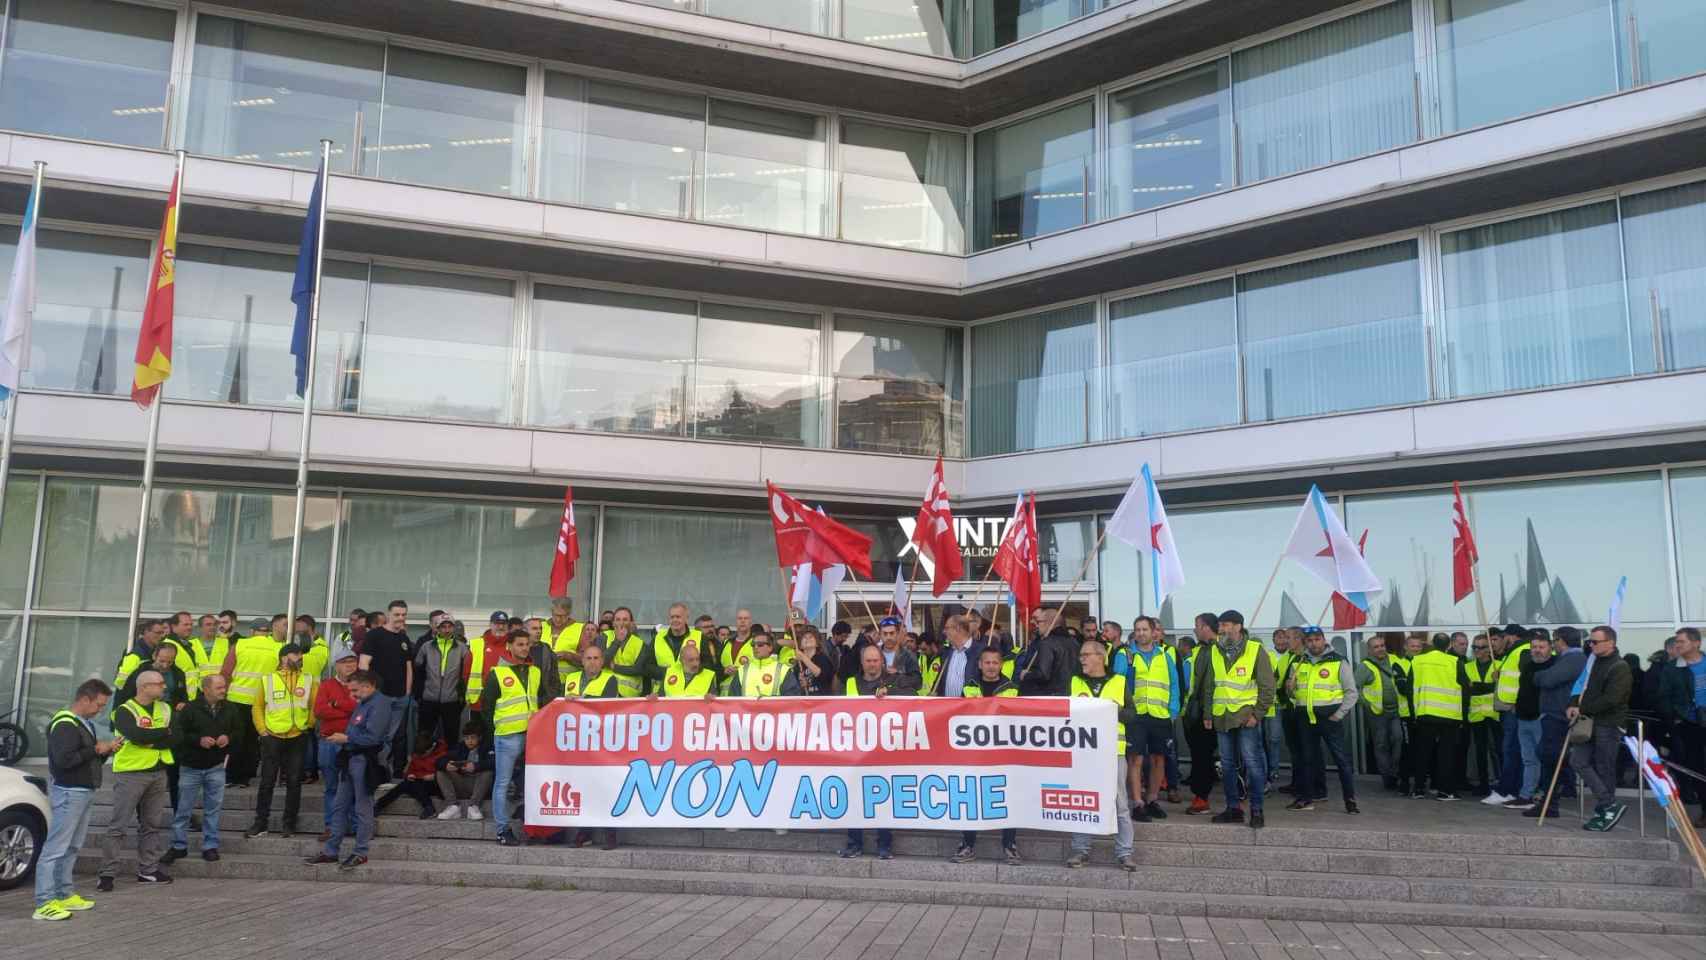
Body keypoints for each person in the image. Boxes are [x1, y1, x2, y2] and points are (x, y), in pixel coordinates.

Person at [33, 679, 118, 922]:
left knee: (72, 846)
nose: (100, 710)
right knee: (56, 848)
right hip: (70, 791)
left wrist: (106, 751)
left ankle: (63, 893)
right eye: (99, 705)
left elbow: (88, 759)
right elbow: (64, 760)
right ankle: (44, 902)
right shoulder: (65, 724)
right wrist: (96, 750)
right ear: (85, 699)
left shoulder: (83, 723)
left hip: (82, 790)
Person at [306, 669, 394, 871]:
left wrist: (346, 738)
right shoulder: (364, 702)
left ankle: (361, 852)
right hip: (350, 759)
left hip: (364, 760)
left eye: (355, 691)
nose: (352, 695)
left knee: (362, 808)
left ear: (368, 686)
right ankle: (331, 851)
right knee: (339, 805)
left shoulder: (380, 704)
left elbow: (373, 738)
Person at [1195, 610, 1274, 828]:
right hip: (1222, 716)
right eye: (1220, 625)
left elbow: (1268, 687)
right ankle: (1233, 809)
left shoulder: (1255, 650)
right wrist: (1208, 713)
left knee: (1253, 763)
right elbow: (1210, 685)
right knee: (1227, 765)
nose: (1221, 629)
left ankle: (1256, 810)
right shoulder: (1215, 650)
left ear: (1238, 626)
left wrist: (1257, 715)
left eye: (1226, 625)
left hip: (1246, 718)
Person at [98, 669, 176, 891]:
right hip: (131, 773)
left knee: (152, 824)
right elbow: (137, 736)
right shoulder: (124, 711)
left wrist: (154, 738)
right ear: (144, 687)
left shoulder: (165, 708)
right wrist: (164, 733)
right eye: (159, 683)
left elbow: (177, 736)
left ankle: (147, 870)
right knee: (119, 825)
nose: (164, 686)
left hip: (158, 771)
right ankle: (107, 874)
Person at [1067, 638, 1137, 870]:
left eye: (1086, 655)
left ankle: (1125, 853)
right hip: (1083, 752)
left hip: (1113, 752)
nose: (1082, 659)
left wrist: (1111, 709)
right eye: (1081, 655)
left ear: (1101, 657)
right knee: (1082, 801)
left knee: (1120, 804)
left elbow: (1132, 715)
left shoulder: (1119, 681)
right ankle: (1080, 850)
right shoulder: (1074, 681)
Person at [165, 674, 244, 865]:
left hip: (216, 766)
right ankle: (178, 846)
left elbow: (239, 731)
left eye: (224, 687)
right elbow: (178, 735)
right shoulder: (190, 708)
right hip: (190, 767)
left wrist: (228, 738)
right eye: (219, 688)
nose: (224, 690)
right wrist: (198, 741)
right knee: (183, 809)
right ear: (206, 689)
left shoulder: (230, 708)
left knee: (212, 810)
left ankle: (210, 846)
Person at [482, 630, 551, 847]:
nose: (524, 648)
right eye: (520, 644)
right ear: (509, 646)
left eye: (527, 644)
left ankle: (533, 828)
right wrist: (494, 732)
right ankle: (502, 830)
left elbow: (541, 700)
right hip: (508, 736)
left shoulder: (535, 672)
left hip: (532, 736)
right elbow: (486, 708)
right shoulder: (497, 673)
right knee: (502, 783)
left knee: (532, 782)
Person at [1285, 626, 1360, 814]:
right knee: (1307, 760)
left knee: (1341, 760)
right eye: (1309, 640)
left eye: (1317, 639)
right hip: (1306, 719)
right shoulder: (1299, 662)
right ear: (1305, 642)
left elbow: (1351, 692)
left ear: (1324, 640)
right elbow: (1293, 694)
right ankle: (1307, 798)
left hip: (1330, 719)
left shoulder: (1338, 661)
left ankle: (1350, 800)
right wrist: (1290, 689)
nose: (1313, 644)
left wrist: (1339, 714)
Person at [841, 645, 905, 860]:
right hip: (855, 751)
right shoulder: (851, 683)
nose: (872, 664)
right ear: (862, 662)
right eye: (868, 660)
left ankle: (884, 845)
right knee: (854, 798)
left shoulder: (893, 682)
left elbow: (912, 695)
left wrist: (891, 693)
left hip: (882, 751)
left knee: (883, 799)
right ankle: (854, 843)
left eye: (875, 660)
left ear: (882, 662)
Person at [246, 642, 315, 839]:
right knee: (267, 781)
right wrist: (262, 731)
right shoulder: (268, 680)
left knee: (294, 781)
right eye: (296, 655)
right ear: (284, 658)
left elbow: (314, 706)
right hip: (272, 736)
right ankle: (261, 823)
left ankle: (289, 823)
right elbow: (257, 707)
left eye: (301, 655)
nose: (300, 659)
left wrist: (308, 725)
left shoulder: (308, 680)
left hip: (297, 736)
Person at [1568, 626, 1633, 831]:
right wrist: (1573, 703)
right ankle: (1608, 803)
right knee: (1577, 760)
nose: (1591, 645)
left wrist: (1582, 708)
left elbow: (1612, 699)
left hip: (1608, 724)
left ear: (1610, 643)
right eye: (1590, 642)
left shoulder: (1620, 666)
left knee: (1604, 767)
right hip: (1588, 722)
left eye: (1595, 642)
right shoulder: (1593, 661)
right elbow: (1582, 686)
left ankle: (1605, 810)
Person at [1119, 616, 1179, 823]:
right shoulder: (1125, 655)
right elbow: (1118, 684)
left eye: (1145, 629)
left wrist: (1173, 711)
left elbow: (1174, 684)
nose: (1141, 633)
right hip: (1135, 715)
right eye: (1137, 629)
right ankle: (1138, 803)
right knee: (1135, 759)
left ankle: (1152, 799)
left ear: (1154, 632)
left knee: (1158, 758)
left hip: (1160, 715)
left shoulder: (1165, 656)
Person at [222, 613, 287, 788]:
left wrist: (222, 694)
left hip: (236, 699)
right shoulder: (277, 648)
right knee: (252, 740)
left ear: (252, 631)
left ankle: (230, 777)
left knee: (235, 738)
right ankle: (245, 777)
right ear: (268, 632)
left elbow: (226, 672)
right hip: (261, 701)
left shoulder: (240, 645)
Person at [1501, 630, 1556, 810]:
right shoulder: (1528, 665)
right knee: (1528, 760)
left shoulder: (1554, 666)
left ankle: (1543, 796)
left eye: (1541, 647)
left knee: (1543, 759)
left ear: (1550, 648)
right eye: (1534, 647)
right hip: (1523, 718)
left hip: (1541, 719)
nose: (1537, 650)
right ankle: (1526, 796)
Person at [1658, 627, 1706, 827]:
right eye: (1676, 642)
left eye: (1681, 641)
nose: (1677, 645)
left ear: (1696, 643)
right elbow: (1664, 697)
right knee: (1697, 767)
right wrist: (1675, 719)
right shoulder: (1672, 668)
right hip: (1689, 724)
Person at [361, 602, 415, 777]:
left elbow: (408, 667)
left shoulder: (404, 638)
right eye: (397, 614)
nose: (401, 618)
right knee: (376, 736)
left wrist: (407, 692)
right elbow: (364, 664)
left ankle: (380, 772)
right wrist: (368, 692)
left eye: (404, 614)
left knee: (389, 738)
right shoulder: (375, 635)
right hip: (380, 696)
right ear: (389, 614)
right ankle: (372, 772)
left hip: (400, 697)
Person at [1487, 623, 1532, 805]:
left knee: (1512, 750)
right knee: (1513, 750)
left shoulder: (1523, 651)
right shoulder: (1515, 651)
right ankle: (1511, 789)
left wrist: (1518, 704)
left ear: (1511, 636)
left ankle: (1507, 790)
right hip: (1511, 708)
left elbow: (1527, 680)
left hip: (1515, 709)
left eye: (1503, 637)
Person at [1181, 613, 1219, 815]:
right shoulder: (1198, 650)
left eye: (1197, 625)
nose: (1194, 630)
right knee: (1200, 754)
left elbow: (1209, 684)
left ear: (1206, 627)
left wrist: (1208, 714)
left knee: (1203, 755)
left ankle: (1202, 798)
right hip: (1195, 712)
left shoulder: (1218, 650)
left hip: (1210, 712)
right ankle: (1201, 793)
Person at [314, 652, 360, 818]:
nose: (350, 665)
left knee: (355, 786)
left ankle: (354, 824)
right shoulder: (326, 685)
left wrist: (336, 704)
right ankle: (331, 824)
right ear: (336, 665)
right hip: (329, 741)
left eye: (353, 661)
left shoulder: (362, 685)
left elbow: (362, 710)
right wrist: (349, 711)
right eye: (345, 662)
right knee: (332, 786)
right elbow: (319, 711)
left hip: (353, 742)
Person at [1355, 635, 1403, 792]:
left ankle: (1395, 772)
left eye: (1382, 645)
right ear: (1369, 650)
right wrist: (1367, 704)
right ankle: (1388, 777)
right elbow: (1354, 689)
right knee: (1381, 745)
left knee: (1398, 739)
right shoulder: (1364, 666)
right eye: (1376, 647)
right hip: (1377, 713)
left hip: (1397, 711)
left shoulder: (1395, 660)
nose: (1381, 649)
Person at [414, 614, 468, 748]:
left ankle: (450, 758)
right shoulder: (426, 647)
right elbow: (418, 670)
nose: (447, 630)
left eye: (450, 626)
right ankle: (422, 759)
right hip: (429, 698)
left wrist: (461, 696)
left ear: (453, 628)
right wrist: (420, 694)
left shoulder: (462, 648)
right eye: (443, 627)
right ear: (437, 628)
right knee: (424, 734)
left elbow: (466, 674)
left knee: (452, 736)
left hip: (452, 699)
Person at [1460, 633, 1500, 797]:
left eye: (1481, 647)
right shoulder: (1467, 666)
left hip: (1495, 714)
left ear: (1489, 649)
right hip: (1476, 715)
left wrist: (1477, 686)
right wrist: (1489, 686)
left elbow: (1499, 689)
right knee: (1480, 751)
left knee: (1498, 749)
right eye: (1474, 647)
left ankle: (1501, 782)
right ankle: (1483, 784)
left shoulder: (1498, 665)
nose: (1477, 650)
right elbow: (1468, 689)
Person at [375, 732, 446, 819]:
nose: (422, 756)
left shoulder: (443, 753)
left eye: (424, 753)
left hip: (436, 784)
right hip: (418, 781)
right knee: (406, 784)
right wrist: (409, 775)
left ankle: (429, 807)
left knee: (414, 784)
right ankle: (378, 805)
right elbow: (409, 771)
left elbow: (448, 774)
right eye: (420, 754)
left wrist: (435, 776)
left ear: (433, 746)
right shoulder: (418, 752)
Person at [464, 611, 512, 737]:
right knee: (477, 739)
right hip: (478, 702)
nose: (500, 627)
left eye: (503, 624)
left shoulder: (513, 645)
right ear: (490, 624)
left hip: (504, 704)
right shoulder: (477, 644)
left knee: (498, 738)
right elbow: (466, 673)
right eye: (497, 623)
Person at [641, 602, 711, 689]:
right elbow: (647, 667)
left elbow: (708, 665)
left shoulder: (699, 637)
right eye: (672, 617)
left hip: (691, 691)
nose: (674, 620)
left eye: (678, 617)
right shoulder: (657, 638)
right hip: (663, 693)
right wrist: (668, 673)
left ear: (686, 619)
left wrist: (689, 671)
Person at [436, 722, 496, 820]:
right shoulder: (460, 747)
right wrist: (446, 765)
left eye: (473, 738)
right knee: (441, 772)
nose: (469, 741)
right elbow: (439, 760)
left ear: (479, 737)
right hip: (462, 784)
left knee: (488, 772)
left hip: (480, 786)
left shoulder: (487, 747)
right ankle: (453, 806)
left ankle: (473, 806)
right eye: (467, 738)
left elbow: (494, 762)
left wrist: (475, 766)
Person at [601, 606, 648, 697]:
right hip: (605, 693)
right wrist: (617, 641)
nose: (621, 623)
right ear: (613, 623)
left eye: (625, 620)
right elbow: (600, 662)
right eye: (618, 619)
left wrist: (614, 667)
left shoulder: (640, 643)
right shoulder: (604, 636)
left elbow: (638, 670)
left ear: (631, 623)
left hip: (629, 697)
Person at [729, 629, 787, 697]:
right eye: (753, 645)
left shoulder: (783, 670)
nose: (755, 647)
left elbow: (791, 699)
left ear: (770, 647)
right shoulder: (742, 670)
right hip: (746, 705)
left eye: (760, 644)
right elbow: (733, 698)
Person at [781, 626, 835, 696]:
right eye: (804, 637)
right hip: (805, 700)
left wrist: (803, 657)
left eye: (811, 637)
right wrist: (802, 684)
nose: (807, 639)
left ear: (817, 643)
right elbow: (793, 687)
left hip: (822, 699)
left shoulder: (823, 658)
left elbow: (821, 674)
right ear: (800, 644)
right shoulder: (798, 664)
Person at [543, 597, 590, 671]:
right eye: (555, 615)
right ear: (552, 612)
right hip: (543, 676)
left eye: (562, 616)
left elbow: (588, 658)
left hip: (568, 677)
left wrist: (569, 656)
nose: (558, 619)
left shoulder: (580, 628)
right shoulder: (541, 626)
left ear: (568, 614)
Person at [874, 617, 922, 686]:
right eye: (885, 634)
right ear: (880, 635)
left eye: (892, 633)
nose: (888, 637)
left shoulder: (908, 655)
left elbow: (917, 682)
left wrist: (898, 674)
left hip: (900, 693)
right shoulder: (873, 654)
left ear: (898, 634)